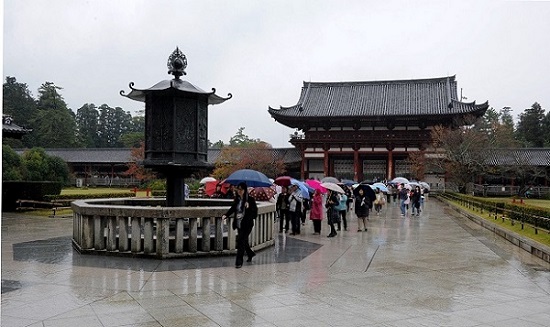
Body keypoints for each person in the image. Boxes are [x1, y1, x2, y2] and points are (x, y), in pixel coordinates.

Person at [222, 182, 257, 269]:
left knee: (240, 241)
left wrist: (249, 208)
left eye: (241, 189)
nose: (239, 191)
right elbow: (233, 208)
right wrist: (226, 215)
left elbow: (255, 214)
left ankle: (239, 261)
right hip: (239, 223)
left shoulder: (250, 200)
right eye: (238, 189)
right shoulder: (237, 200)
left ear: (245, 190)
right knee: (243, 241)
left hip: (247, 224)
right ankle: (250, 253)